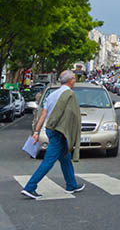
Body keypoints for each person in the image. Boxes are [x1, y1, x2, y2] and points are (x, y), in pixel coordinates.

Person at [21, 71, 84, 199]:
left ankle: (71, 184)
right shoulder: (69, 95)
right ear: (71, 80)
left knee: (65, 157)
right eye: (74, 78)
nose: (75, 80)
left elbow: (43, 114)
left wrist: (37, 132)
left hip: (51, 130)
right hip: (59, 132)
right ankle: (30, 187)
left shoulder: (52, 94)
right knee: (49, 161)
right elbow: (72, 116)